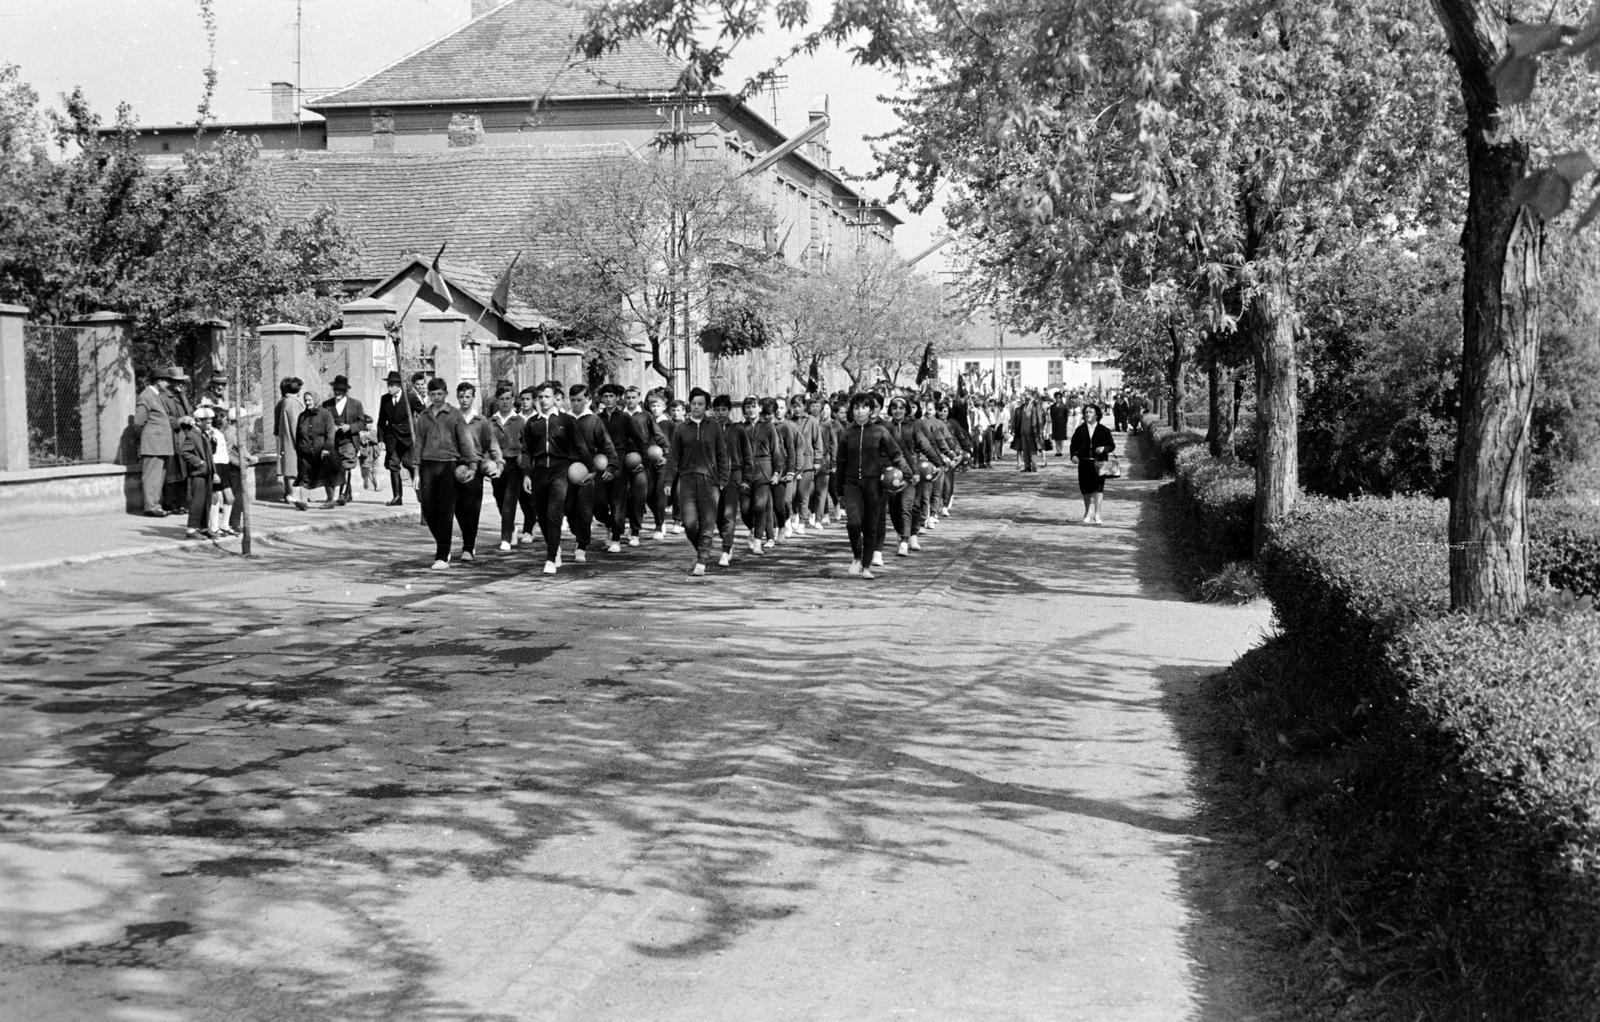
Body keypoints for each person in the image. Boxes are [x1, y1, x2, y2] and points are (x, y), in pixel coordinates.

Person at [834, 391, 909, 580]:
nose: (860, 411)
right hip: (851, 484)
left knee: (870, 526)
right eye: (856, 407)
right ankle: (857, 557)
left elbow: (896, 454)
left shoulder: (880, 432)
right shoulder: (847, 433)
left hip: (874, 484)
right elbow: (840, 462)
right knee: (853, 522)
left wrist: (907, 474)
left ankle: (866, 566)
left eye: (864, 407)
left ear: (870, 410)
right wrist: (838, 490)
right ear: (852, 410)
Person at [520, 380, 592, 575]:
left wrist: (591, 469)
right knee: (542, 516)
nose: (544, 400)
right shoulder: (532, 423)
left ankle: (551, 558)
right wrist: (527, 475)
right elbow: (526, 452)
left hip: (560, 471)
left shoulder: (566, 421)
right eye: (541, 397)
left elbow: (580, 446)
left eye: (547, 396)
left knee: (554, 514)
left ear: (554, 398)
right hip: (539, 472)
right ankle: (554, 545)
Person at [410, 376, 478, 570]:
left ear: (446, 394)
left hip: (449, 464)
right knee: (429, 510)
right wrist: (416, 471)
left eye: (440, 394)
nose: (436, 397)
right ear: (428, 395)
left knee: (445, 511)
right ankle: (443, 543)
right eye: (432, 394)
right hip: (428, 466)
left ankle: (442, 554)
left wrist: (472, 464)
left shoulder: (454, 414)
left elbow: (465, 440)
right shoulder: (423, 416)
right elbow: (419, 444)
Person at [661, 387, 730, 577]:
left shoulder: (714, 427)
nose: (696, 407)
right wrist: (668, 481)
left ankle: (702, 560)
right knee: (690, 523)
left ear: (706, 406)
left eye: (700, 404)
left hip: (710, 480)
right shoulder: (681, 428)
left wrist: (723, 479)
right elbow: (674, 457)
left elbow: (722, 454)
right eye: (693, 404)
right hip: (686, 480)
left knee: (708, 522)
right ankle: (702, 550)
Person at [565, 383, 619, 564]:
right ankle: (579, 533)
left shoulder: (594, 420)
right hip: (568, 471)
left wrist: (611, 466)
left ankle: (581, 545)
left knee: (588, 509)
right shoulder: (565, 419)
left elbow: (607, 445)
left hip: (589, 471)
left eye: (580, 400)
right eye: (572, 400)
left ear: (588, 400)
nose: (576, 403)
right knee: (569, 508)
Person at [453, 382, 501, 563]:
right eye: (461, 396)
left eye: (467, 397)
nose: (464, 400)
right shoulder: (452, 419)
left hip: (475, 467)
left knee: (472, 508)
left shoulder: (481, 421)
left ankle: (468, 547)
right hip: (456, 467)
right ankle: (468, 539)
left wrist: (498, 464)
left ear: (473, 398)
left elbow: (492, 444)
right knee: (458, 507)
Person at [134, 366, 181, 517]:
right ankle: (150, 507)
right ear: (158, 381)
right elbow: (139, 421)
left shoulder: (159, 396)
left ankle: (156, 505)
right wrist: (147, 438)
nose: (168, 384)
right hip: (153, 444)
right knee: (152, 476)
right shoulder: (146, 395)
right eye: (166, 380)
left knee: (159, 477)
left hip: (162, 444)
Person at [711, 394, 750, 566]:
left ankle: (726, 549)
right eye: (717, 409)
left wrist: (746, 478)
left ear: (729, 410)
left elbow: (747, 455)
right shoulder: (709, 429)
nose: (720, 413)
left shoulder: (737, 429)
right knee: (717, 516)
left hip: (734, 476)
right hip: (713, 477)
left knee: (729, 514)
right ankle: (728, 541)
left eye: (723, 409)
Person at [490, 386, 527, 552]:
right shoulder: (491, 421)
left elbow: (526, 446)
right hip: (497, 465)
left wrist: (525, 467)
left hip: (514, 465)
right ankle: (511, 527)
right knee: (498, 497)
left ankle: (505, 538)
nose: (505, 402)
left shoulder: (520, 421)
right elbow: (486, 444)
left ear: (513, 400)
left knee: (509, 501)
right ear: (497, 401)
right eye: (502, 399)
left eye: (508, 399)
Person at [378, 370, 423, 506]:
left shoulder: (409, 398)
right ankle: (397, 497)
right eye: (388, 384)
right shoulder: (385, 399)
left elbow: (424, 411)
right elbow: (381, 421)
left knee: (410, 464)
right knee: (393, 465)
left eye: (392, 384)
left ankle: (421, 495)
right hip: (392, 438)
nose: (389, 387)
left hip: (408, 437)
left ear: (399, 385)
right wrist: (380, 439)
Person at [1069, 403, 1117, 525]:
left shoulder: (1104, 430)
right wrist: (1073, 455)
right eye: (1086, 412)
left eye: (1090, 412)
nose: (1088, 414)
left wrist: (1104, 449)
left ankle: (1097, 514)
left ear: (1096, 415)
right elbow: (1073, 445)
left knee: (1098, 489)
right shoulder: (1080, 430)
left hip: (1099, 462)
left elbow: (1112, 446)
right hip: (1084, 462)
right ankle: (1087, 512)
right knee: (1085, 489)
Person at [323, 375, 365, 505]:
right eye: (335, 389)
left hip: (349, 440)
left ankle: (342, 495)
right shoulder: (327, 405)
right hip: (333, 442)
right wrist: (331, 427)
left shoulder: (356, 404)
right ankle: (348, 493)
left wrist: (350, 427)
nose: (337, 392)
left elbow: (362, 423)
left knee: (346, 465)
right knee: (335, 467)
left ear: (345, 391)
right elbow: (322, 422)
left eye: (340, 390)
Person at [176, 405, 216, 540]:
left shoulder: (204, 434)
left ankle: (203, 527)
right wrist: (199, 463)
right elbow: (185, 452)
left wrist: (213, 441)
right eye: (208, 422)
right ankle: (191, 529)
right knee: (197, 501)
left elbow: (210, 453)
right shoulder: (193, 435)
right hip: (198, 474)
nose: (210, 424)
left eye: (211, 421)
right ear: (199, 421)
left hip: (207, 473)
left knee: (206, 501)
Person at [292, 388, 335, 511]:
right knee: (304, 475)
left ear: (315, 400)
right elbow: (298, 434)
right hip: (305, 451)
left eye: (309, 400)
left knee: (326, 476)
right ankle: (303, 502)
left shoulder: (325, 414)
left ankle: (330, 500)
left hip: (321, 452)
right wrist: (298, 448)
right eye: (305, 400)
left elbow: (330, 433)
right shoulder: (302, 416)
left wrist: (326, 449)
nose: (307, 402)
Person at [274, 377, 303, 504]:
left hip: (284, 438)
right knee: (293, 468)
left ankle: (288, 493)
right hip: (292, 439)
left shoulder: (282, 402)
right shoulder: (292, 403)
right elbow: (296, 424)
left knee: (287, 466)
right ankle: (292, 495)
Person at [1050, 391, 1071, 456]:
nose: (1057, 399)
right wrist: (1054, 421)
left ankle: (1060, 451)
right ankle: (1057, 451)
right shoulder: (1052, 406)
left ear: (1061, 398)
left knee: (1061, 438)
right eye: (1056, 397)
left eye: (1059, 397)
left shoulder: (1064, 406)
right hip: (1055, 424)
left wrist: (1065, 423)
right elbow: (1051, 415)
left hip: (1062, 424)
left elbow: (1066, 415)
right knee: (1056, 438)